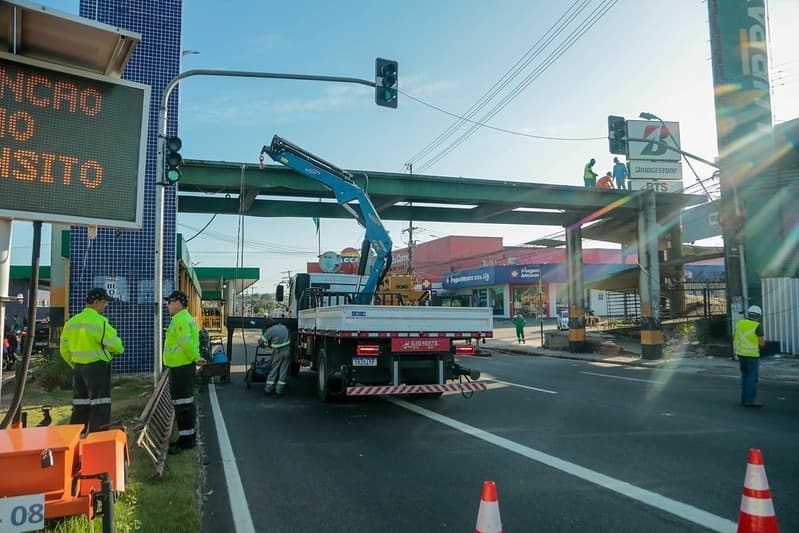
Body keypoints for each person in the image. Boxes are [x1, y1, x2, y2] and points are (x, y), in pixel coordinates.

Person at [59, 288, 124, 434]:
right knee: (100, 406)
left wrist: (75, 363)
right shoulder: (99, 322)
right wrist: (114, 350)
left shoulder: (71, 322)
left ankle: (76, 442)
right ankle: (98, 443)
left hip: (78, 369)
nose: (105, 305)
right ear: (96, 302)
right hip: (97, 369)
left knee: (80, 407)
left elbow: (63, 349)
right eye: (104, 302)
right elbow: (116, 346)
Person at [163, 290, 204, 453]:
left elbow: (186, 344)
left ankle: (186, 440)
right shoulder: (184, 318)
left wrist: (196, 358)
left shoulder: (180, 320)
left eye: (169, 302)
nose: (167, 305)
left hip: (181, 368)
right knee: (184, 403)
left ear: (178, 303)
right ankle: (187, 437)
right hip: (181, 367)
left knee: (183, 404)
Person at [734, 305, 766, 407]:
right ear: (759, 316)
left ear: (748, 314)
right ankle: (750, 400)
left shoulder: (740, 323)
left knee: (745, 377)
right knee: (752, 378)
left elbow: (736, 337)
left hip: (741, 354)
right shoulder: (757, 326)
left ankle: (745, 399)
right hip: (752, 356)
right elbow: (761, 343)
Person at [262, 321, 292, 395]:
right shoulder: (284, 327)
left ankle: (268, 388)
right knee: (283, 371)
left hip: (278, 352)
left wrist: (262, 345)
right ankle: (279, 390)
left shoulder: (271, 330)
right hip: (287, 351)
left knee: (273, 370)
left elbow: (261, 340)